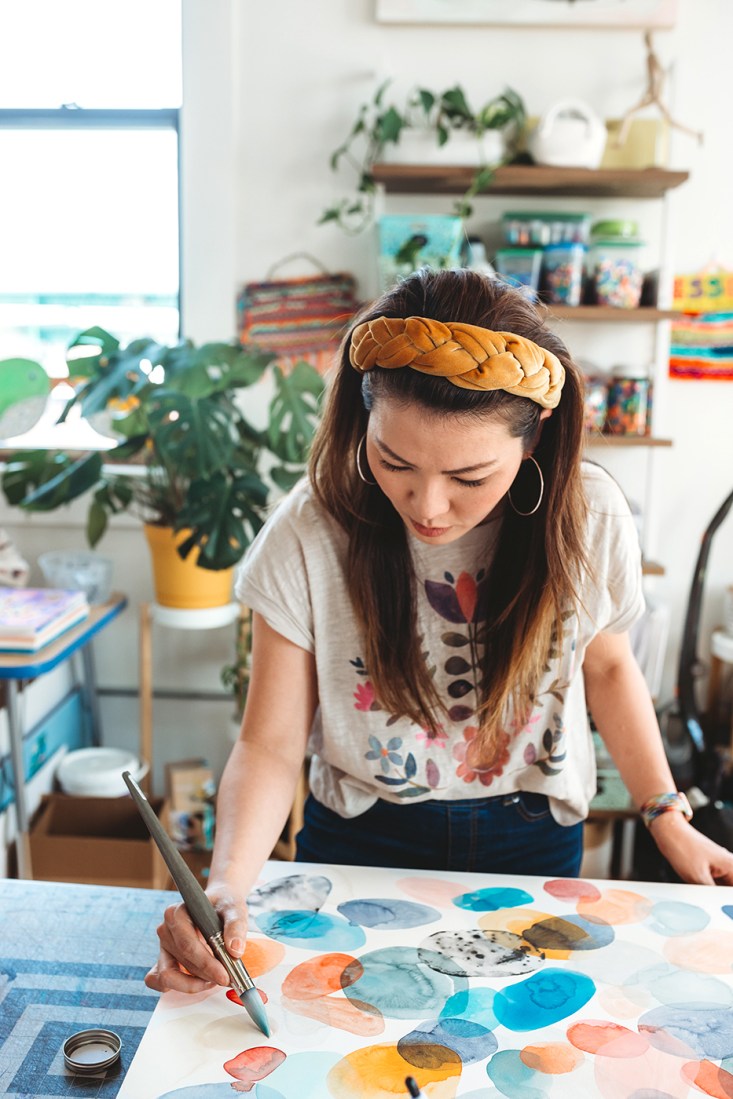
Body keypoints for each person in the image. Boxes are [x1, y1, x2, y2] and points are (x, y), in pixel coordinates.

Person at [147, 267, 733, 996]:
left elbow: (607, 667)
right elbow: (268, 742)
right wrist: (227, 886)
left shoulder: (588, 515)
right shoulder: (309, 530)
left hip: (530, 832)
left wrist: (663, 811)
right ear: (362, 419)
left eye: (468, 475)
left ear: (533, 440)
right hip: (358, 837)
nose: (427, 505)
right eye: (393, 461)